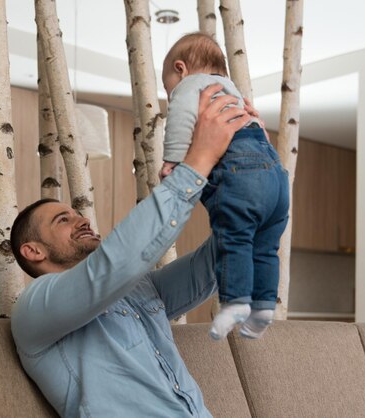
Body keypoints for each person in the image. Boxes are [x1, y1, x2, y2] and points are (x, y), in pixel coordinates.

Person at [10, 84, 252, 417]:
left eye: (78, 213)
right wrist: (198, 161)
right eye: (63, 219)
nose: (82, 220)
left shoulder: (136, 289)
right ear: (33, 250)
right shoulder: (34, 306)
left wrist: (247, 180)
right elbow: (116, 264)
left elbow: (213, 266)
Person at [160, 32, 290, 341]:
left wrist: (173, 161)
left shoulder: (193, 85)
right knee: (266, 248)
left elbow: (179, 120)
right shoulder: (232, 93)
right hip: (275, 177)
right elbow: (254, 127)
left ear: (181, 69)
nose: (172, 95)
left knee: (234, 236)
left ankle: (235, 303)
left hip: (241, 169)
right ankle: (263, 307)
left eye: (169, 89)